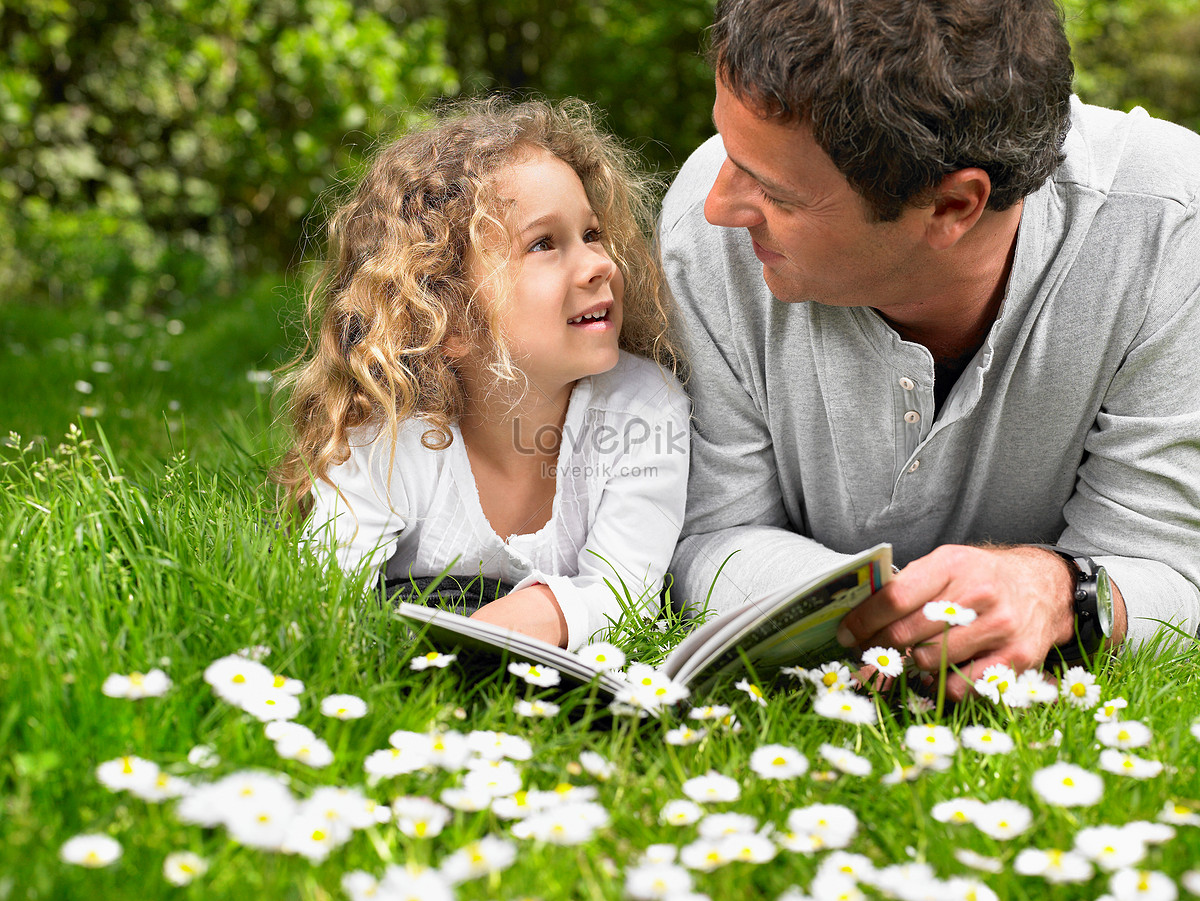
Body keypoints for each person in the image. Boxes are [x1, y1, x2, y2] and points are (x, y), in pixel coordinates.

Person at [662, 0, 1200, 698]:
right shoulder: (706, 241)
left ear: (953, 207)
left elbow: (1172, 566)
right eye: (731, 155)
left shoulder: (1169, 232)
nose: (719, 205)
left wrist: (1059, 590)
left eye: (774, 192)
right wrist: (902, 620)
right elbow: (712, 535)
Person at [275, 98, 689, 651]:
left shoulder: (643, 408)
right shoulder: (390, 433)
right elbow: (324, 593)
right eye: (544, 244)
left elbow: (627, 586)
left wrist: (547, 614)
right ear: (447, 317)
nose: (600, 264)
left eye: (591, 234)